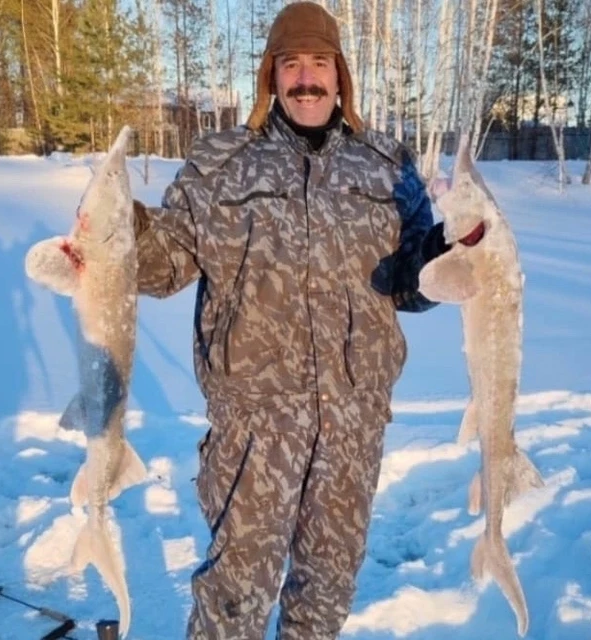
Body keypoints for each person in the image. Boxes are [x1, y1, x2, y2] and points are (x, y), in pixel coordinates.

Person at [133, 2, 453, 637]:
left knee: (326, 592)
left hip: (352, 427)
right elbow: (160, 267)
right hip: (256, 429)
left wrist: (454, 251)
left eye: (319, 63)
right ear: (270, 76)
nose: (306, 79)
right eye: (291, 64)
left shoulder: (387, 165)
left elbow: (412, 285)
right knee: (234, 596)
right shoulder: (222, 164)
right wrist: (119, 226)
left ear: (341, 76)